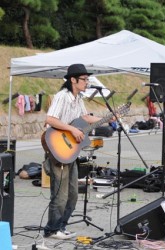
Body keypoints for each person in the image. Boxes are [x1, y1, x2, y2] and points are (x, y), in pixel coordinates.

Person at [43, 64, 102, 240]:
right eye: (84, 79)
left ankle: (62, 226)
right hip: (57, 149)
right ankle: (52, 230)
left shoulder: (78, 99)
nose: (87, 82)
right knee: (60, 195)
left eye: (87, 79)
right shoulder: (62, 96)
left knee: (74, 194)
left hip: (70, 152)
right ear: (73, 80)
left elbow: (85, 118)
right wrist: (73, 130)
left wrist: (109, 118)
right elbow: (50, 119)